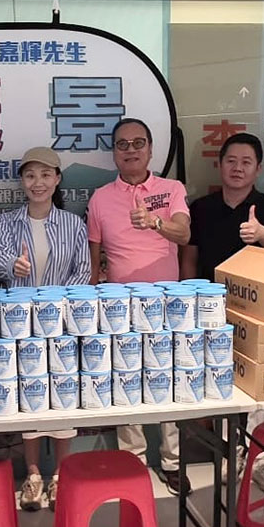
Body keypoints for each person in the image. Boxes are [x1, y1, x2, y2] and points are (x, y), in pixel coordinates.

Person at [86, 118, 191, 493]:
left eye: (138, 143)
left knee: (170, 381)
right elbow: (93, 260)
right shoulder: (100, 199)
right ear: (114, 152)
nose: (130, 150)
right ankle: (132, 462)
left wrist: (154, 222)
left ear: (150, 148)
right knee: (126, 381)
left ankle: (173, 461)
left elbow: (184, 233)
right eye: (122, 144)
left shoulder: (171, 189)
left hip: (167, 304)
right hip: (120, 306)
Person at [0, 146, 91, 510]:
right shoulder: (7, 222)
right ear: (22, 181)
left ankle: (62, 474)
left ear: (57, 179)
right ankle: (33, 474)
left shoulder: (72, 224)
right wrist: (13, 266)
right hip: (21, 325)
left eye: (46, 175)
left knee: (63, 394)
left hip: (62, 324)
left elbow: (83, 270)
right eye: (31, 175)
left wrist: (59, 307)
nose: (38, 183)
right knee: (29, 395)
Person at [182, 131, 264, 281]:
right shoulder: (200, 207)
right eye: (231, 161)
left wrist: (262, 233)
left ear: (258, 169)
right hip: (210, 291)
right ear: (220, 164)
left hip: (253, 291)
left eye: (246, 162)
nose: (237, 168)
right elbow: (189, 260)